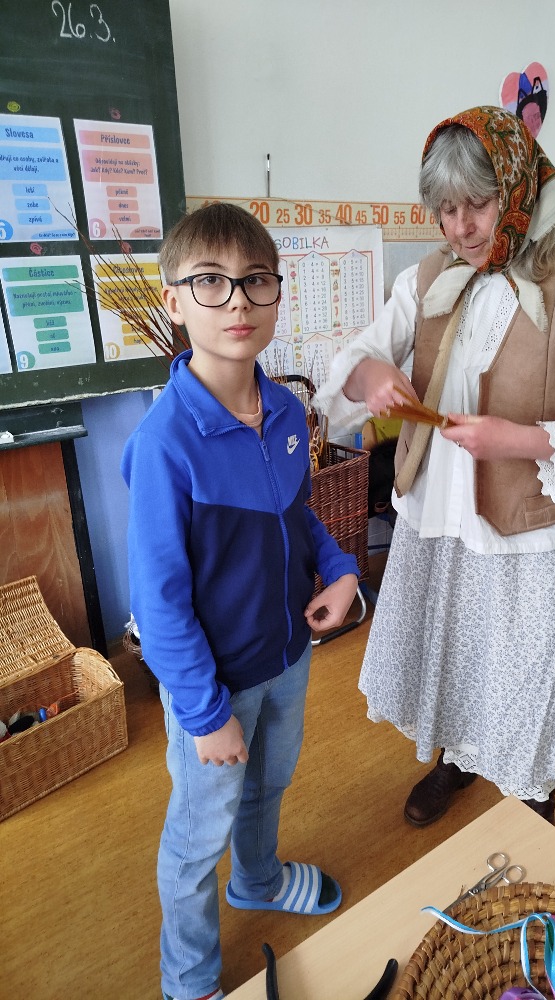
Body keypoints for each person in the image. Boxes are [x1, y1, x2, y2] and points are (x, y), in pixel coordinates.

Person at [315, 106, 555, 829]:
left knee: (525, 669)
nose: (460, 228)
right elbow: (357, 356)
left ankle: (534, 797)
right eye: (445, 210)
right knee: (456, 650)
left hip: (522, 528)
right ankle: (457, 760)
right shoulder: (429, 277)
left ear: (518, 189)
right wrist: (373, 374)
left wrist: (522, 439)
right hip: (437, 511)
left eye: (478, 204)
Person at [121, 202, 359, 1000]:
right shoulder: (165, 442)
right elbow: (157, 603)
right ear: (173, 300)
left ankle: (257, 880)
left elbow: (297, 517)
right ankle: (188, 979)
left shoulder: (287, 410)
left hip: (287, 656)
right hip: (214, 689)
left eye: (256, 281)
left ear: (277, 293)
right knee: (197, 836)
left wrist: (341, 569)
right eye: (210, 283)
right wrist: (203, 713)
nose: (237, 302)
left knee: (268, 785)